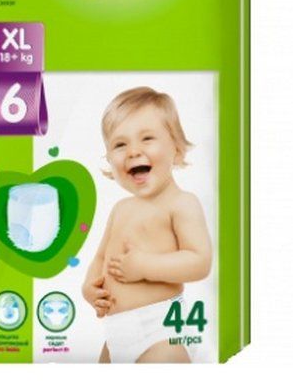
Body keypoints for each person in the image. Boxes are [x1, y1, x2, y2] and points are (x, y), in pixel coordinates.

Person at [82, 87, 212, 363]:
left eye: (147, 138)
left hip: (161, 330)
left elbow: (199, 262)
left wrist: (144, 266)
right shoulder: (120, 208)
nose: (133, 151)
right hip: (116, 333)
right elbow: (101, 258)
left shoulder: (181, 203)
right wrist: (90, 289)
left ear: (176, 149)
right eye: (120, 145)